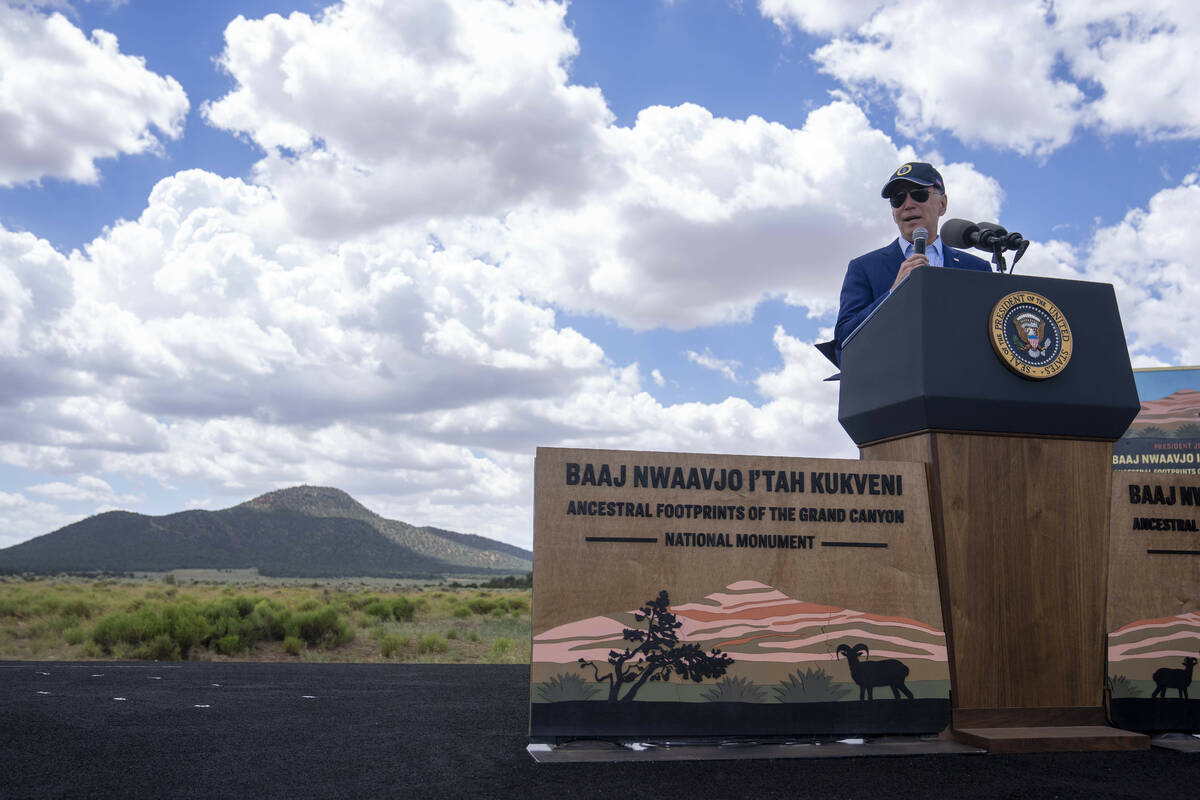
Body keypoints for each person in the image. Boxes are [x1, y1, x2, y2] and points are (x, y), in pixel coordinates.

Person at [833, 162, 991, 365]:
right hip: (894, 387)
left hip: (960, 385)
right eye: (898, 199)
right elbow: (843, 344)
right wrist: (892, 295)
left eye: (918, 194)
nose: (907, 204)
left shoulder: (977, 268)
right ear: (893, 212)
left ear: (942, 204)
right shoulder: (864, 268)